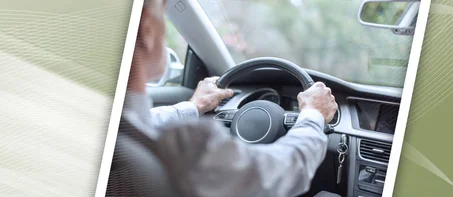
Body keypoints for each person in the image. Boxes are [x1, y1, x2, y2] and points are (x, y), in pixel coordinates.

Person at [109, 0, 339, 196]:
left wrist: (194, 106)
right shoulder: (184, 149)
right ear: (148, 29)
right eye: (163, 18)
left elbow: (145, 122)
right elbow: (281, 171)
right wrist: (313, 115)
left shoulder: (115, 129)